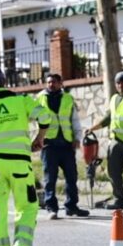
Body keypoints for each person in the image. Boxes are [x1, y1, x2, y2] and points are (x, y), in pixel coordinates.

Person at [0, 66, 49, 246]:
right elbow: (45, 117)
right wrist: (39, 138)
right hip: (19, 164)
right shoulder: (21, 100)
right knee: (27, 207)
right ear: (4, 81)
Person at [35, 73, 89, 219]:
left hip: (66, 144)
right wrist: (37, 138)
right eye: (48, 82)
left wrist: (77, 138)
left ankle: (72, 207)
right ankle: (51, 208)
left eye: (53, 82)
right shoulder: (39, 98)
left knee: (72, 177)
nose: (51, 84)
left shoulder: (68, 98)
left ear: (61, 83)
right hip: (49, 144)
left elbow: (75, 120)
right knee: (50, 178)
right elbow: (34, 120)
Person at [85, 71, 123, 211]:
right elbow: (109, 118)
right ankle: (119, 199)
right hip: (115, 141)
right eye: (118, 82)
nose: (120, 85)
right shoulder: (114, 98)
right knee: (113, 171)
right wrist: (92, 128)